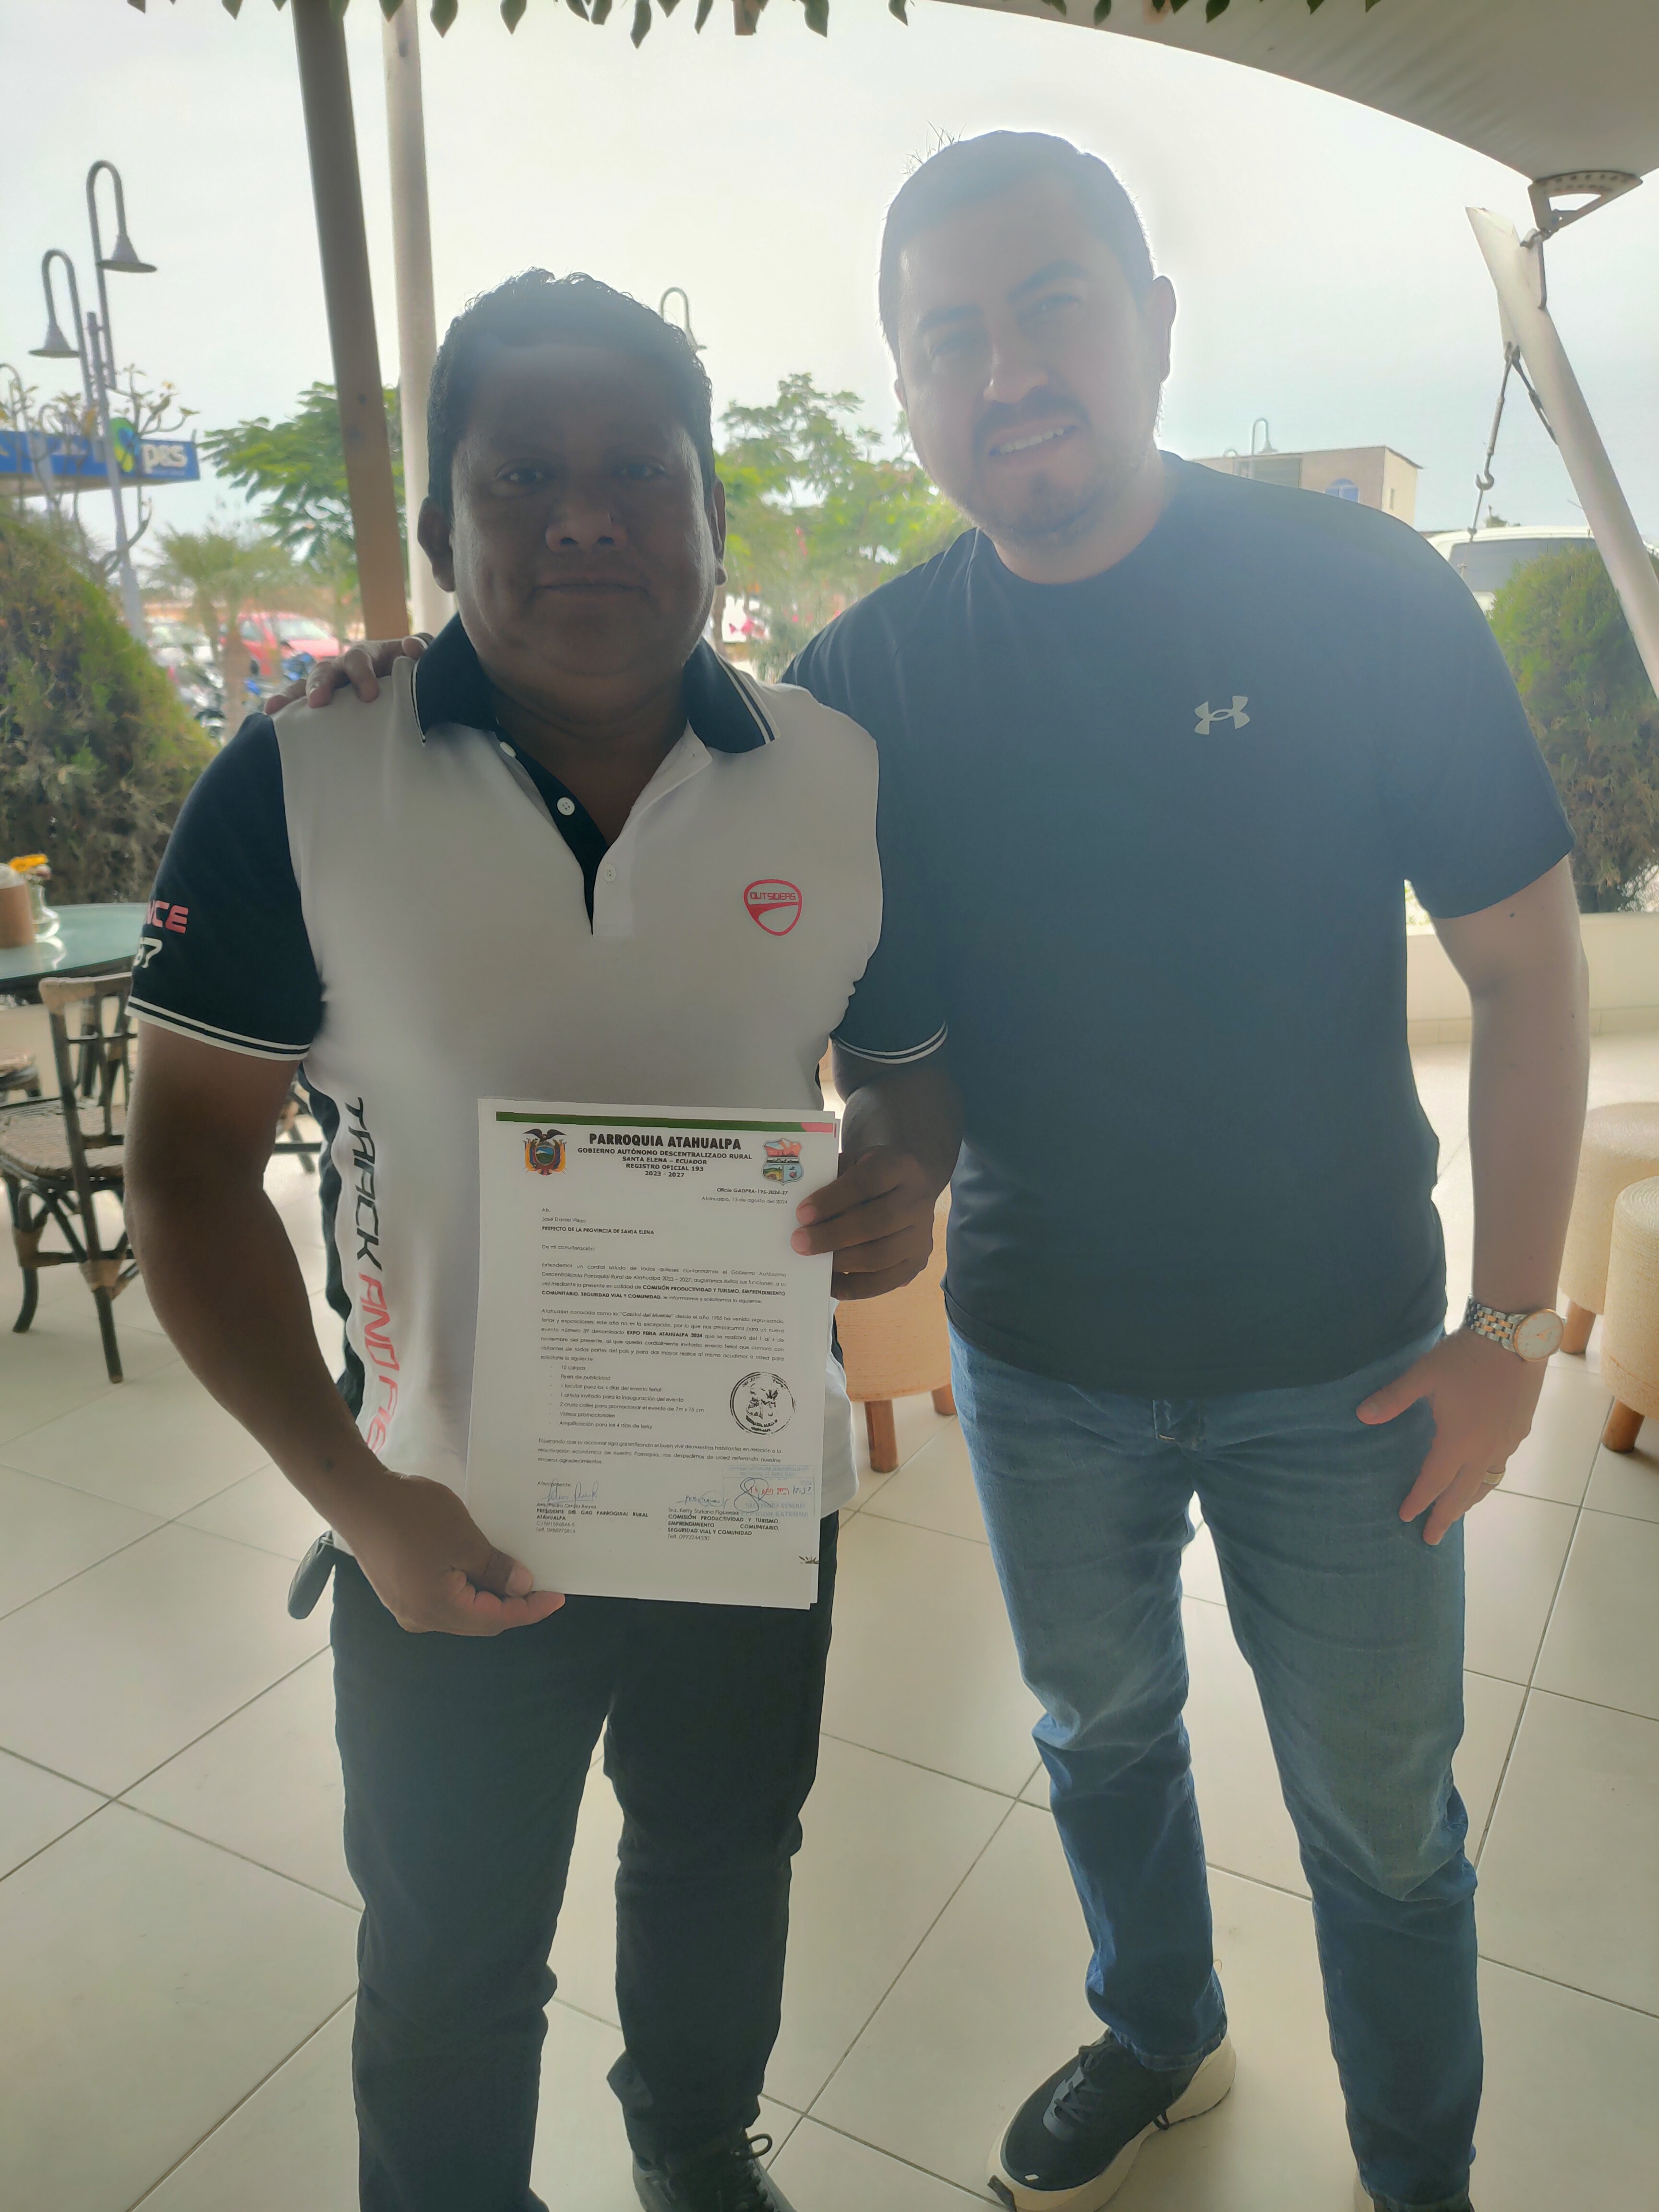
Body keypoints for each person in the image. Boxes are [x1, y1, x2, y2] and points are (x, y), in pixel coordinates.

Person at [295, 135, 1589, 2212]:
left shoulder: (1360, 595)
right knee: (1099, 1739)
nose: (1010, 372)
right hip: (1040, 1360)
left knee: (1381, 1823)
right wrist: (381, 690)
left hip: (1346, 1367)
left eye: (1051, 307)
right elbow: (696, 825)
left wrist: (1511, 1333)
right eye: (951, 337)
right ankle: (1157, 2030)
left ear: (1152, 324)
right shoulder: (869, 689)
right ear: (904, 384)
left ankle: (1417, 2176)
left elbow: (1528, 969)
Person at [124, 270, 958, 2212]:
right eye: (521, 477)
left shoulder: (840, 782)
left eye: (636, 471)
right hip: (439, 1517)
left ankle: (696, 2151)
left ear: (711, 514)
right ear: (439, 529)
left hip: (742, 1494)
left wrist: (898, 1184)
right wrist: (356, 1500)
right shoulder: (299, 777)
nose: (584, 516)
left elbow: (913, 1081)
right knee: (446, 1959)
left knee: (724, 1864)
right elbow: (184, 1173)